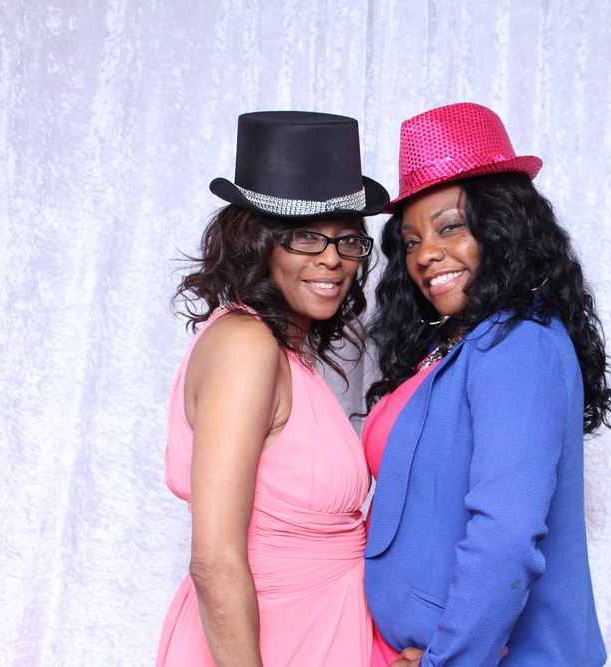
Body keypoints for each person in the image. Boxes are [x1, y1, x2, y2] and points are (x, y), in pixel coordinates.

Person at [363, 102, 611, 666]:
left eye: (450, 226)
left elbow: (505, 535)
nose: (426, 255)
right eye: (410, 240)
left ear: (503, 225)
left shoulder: (518, 342)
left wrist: (445, 662)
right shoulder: (455, 342)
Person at [156, 111, 389, 666]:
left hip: (319, 635)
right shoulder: (245, 346)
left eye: (347, 239)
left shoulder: (283, 355)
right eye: (305, 236)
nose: (332, 258)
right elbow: (214, 560)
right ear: (256, 243)